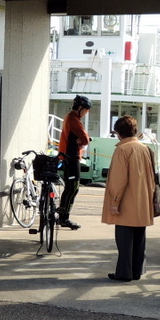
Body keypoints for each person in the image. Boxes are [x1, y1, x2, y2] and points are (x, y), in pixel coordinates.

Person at [101, 115, 156, 282]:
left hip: (126, 201)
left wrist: (114, 202)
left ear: (119, 132)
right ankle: (137, 271)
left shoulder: (122, 150)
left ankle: (124, 273)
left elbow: (119, 180)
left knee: (124, 240)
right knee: (139, 238)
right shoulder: (145, 148)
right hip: (143, 199)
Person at [56, 95, 91, 229]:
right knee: (73, 187)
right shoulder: (74, 119)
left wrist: (82, 138)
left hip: (67, 156)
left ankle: (62, 215)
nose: (86, 113)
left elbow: (83, 138)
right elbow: (85, 139)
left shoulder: (69, 117)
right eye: (86, 110)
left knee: (69, 188)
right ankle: (64, 218)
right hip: (71, 157)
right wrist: (83, 138)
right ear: (80, 108)